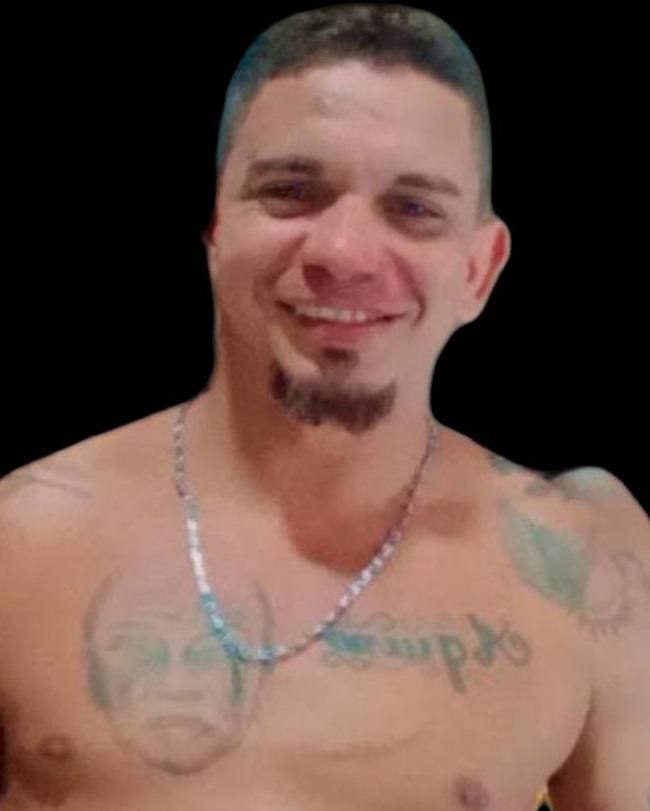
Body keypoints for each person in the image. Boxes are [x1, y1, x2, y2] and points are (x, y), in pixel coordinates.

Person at [0, 4, 648, 809]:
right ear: (215, 228)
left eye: (414, 209)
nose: (344, 253)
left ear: (479, 269)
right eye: (292, 192)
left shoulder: (587, 563)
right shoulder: (20, 540)